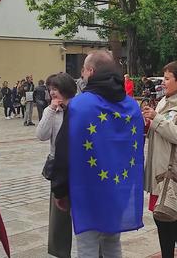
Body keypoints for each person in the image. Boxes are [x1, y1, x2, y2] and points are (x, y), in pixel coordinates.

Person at [51, 51, 144, 257]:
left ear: (91, 71)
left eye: (83, 70)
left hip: (86, 188)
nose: (81, 75)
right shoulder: (131, 106)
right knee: (112, 242)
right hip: (119, 186)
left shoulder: (79, 106)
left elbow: (64, 150)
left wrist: (59, 190)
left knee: (87, 245)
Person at [141, 61, 177, 258]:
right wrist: (147, 124)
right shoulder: (165, 100)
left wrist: (156, 119)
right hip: (159, 174)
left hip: (175, 176)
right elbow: (160, 132)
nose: (163, 83)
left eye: (167, 79)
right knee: (162, 223)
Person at [36, 73, 77, 258]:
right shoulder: (50, 111)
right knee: (59, 215)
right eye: (50, 88)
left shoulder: (78, 108)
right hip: (58, 166)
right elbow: (42, 135)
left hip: (78, 166)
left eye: (55, 88)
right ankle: (60, 252)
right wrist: (51, 110)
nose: (52, 92)